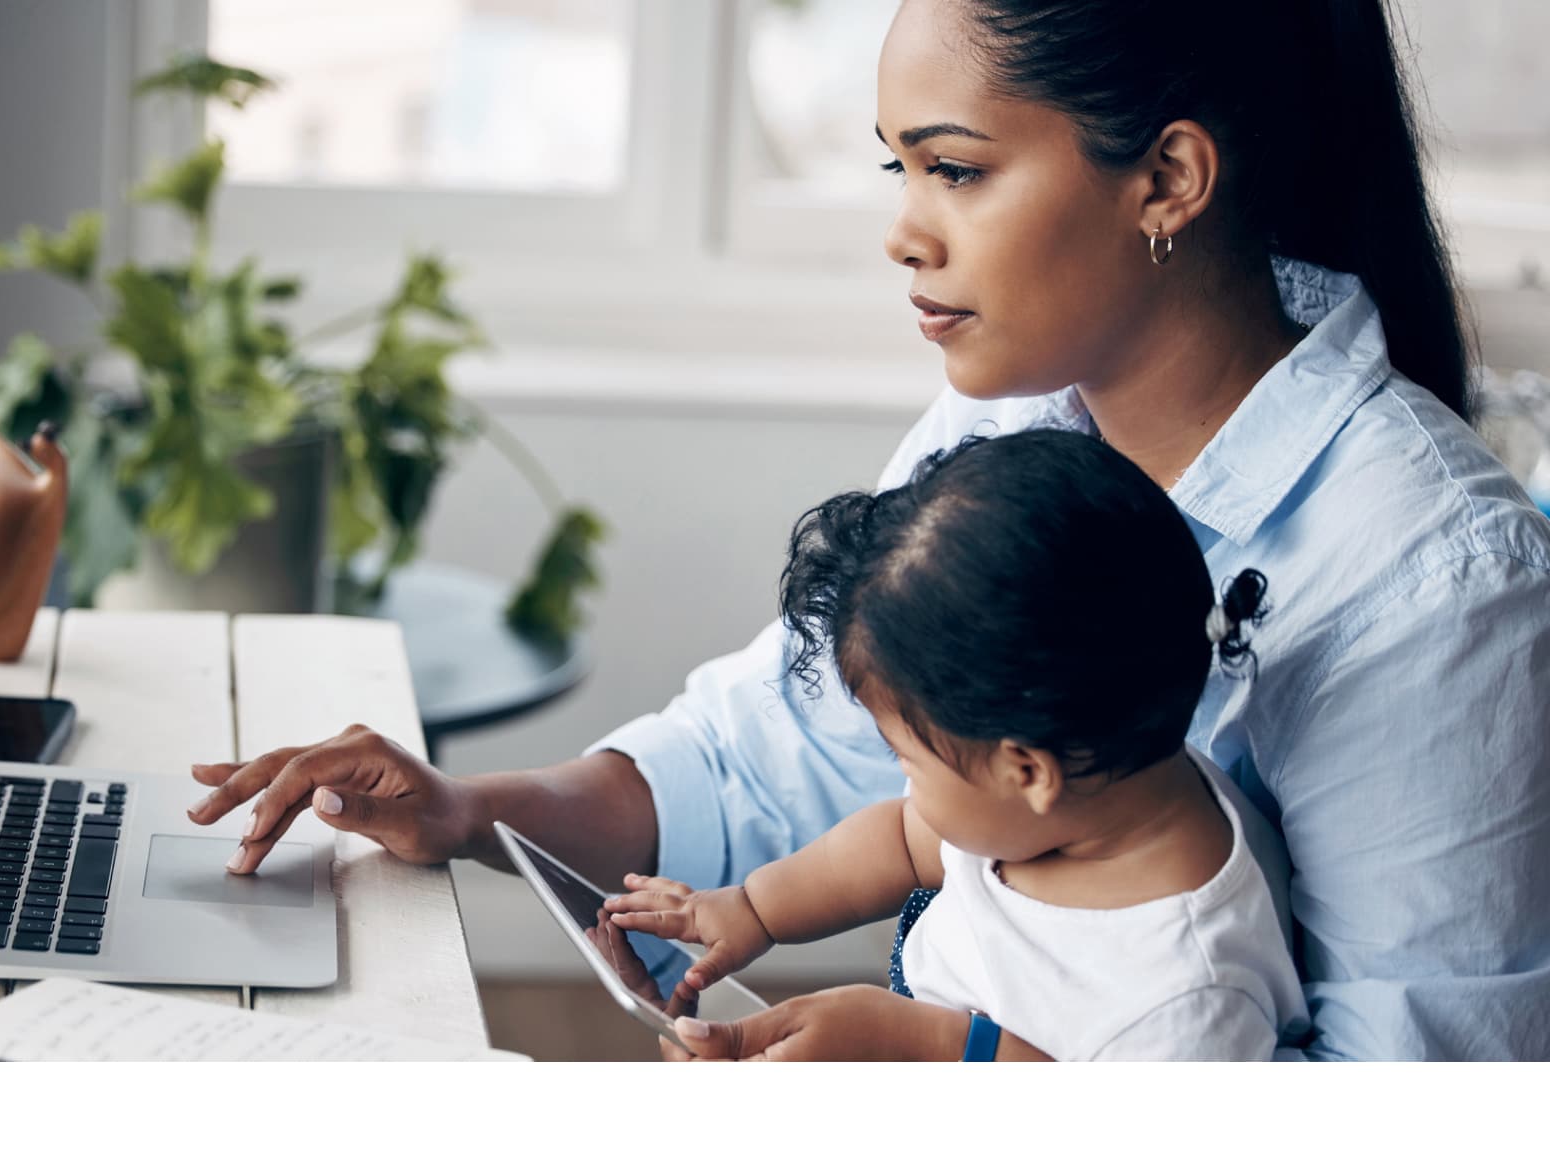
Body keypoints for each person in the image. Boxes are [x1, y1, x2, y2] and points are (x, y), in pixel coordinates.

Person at [187, 0, 1550, 1060]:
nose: (904, 233)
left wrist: (936, 1064)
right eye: (898, 168)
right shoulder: (1007, 432)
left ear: (1171, 179)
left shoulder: (1435, 583)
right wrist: (476, 810)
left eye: (957, 171)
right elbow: (766, 751)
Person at [608, 430, 1308, 1060]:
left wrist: (925, 1045)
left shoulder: (1186, 1001)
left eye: (906, 758)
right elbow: (901, 841)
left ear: (1026, 770)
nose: (906, 787)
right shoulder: (1094, 789)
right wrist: (754, 909)